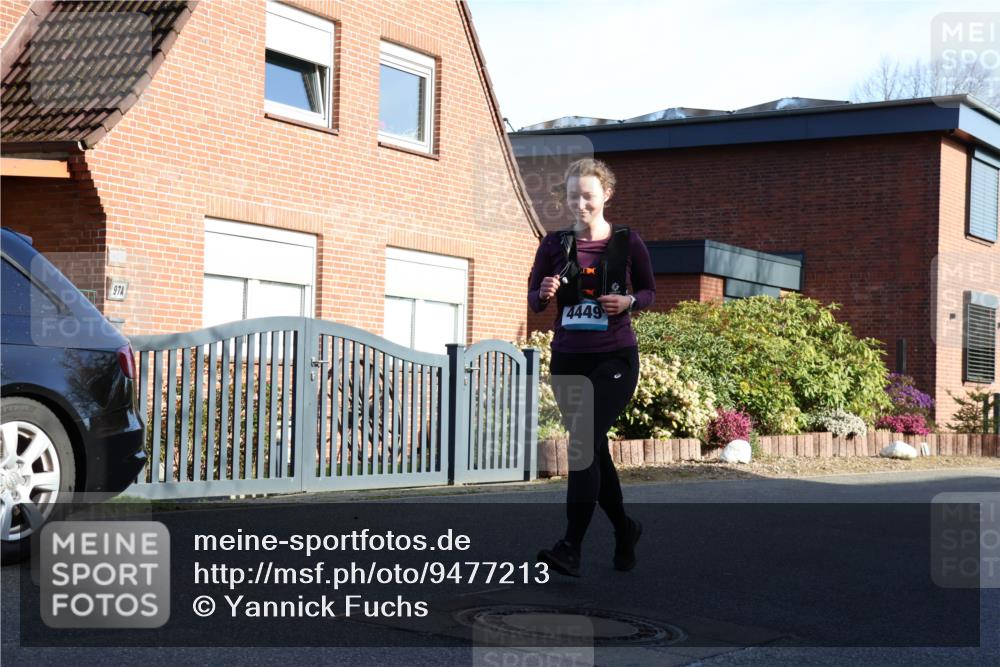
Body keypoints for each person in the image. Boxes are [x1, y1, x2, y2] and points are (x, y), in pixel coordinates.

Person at [527, 158, 655, 577]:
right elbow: (534, 298)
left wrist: (630, 302)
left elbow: (650, 290)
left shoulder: (626, 240)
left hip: (614, 356)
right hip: (569, 358)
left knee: (582, 444)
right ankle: (624, 527)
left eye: (588, 196)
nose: (580, 203)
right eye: (572, 196)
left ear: (606, 195)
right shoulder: (553, 244)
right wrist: (544, 291)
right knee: (593, 449)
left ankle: (570, 547)